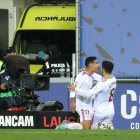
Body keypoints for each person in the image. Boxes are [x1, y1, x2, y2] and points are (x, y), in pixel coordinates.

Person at [68, 60, 117, 130]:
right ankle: (106, 125)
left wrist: (76, 89)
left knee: (90, 130)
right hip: (110, 111)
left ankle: (67, 126)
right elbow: (102, 79)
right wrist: (90, 73)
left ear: (103, 69)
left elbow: (88, 94)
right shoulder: (113, 79)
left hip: (100, 112)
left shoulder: (102, 84)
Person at [70, 56, 102, 129]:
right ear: (90, 64)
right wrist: (72, 102)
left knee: (88, 129)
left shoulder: (91, 75)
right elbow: (73, 87)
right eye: (96, 63)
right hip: (82, 106)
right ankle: (64, 127)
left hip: (89, 106)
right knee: (86, 129)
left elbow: (103, 80)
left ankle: (69, 126)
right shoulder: (81, 76)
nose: (98, 65)